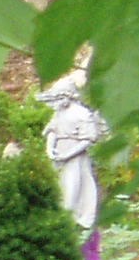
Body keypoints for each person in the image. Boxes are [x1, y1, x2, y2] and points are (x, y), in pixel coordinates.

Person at [41, 66, 109, 230]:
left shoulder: (82, 114)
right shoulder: (59, 113)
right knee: (58, 185)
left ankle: (73, 219)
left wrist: (67, 154)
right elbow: (52, 130)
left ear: (68, 96)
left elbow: (88, 139)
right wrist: (50, 149)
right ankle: (60, 218)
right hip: (59, 153)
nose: (55, 103)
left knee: (73, 185)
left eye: (58, 98)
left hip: (75, 155)